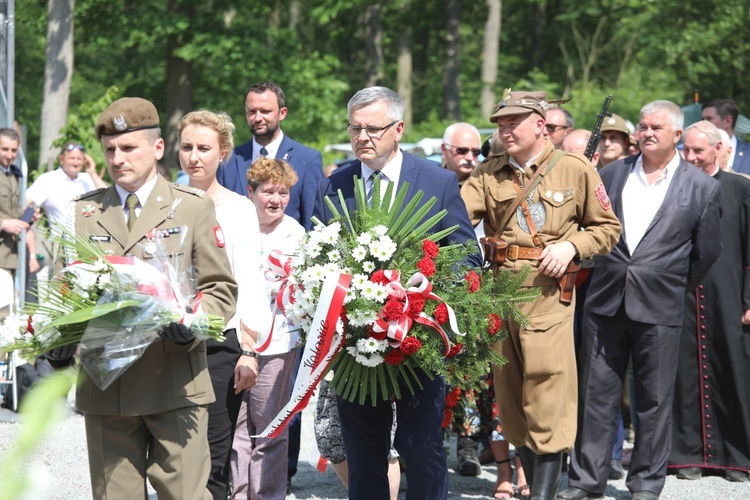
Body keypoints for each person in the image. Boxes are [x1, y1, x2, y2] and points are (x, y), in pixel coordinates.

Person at [60, 97, 238, 499]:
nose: (117, 158)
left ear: (157, 149)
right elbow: (65, 290)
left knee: (186, 495)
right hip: (107, 387)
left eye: (128, 148)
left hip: (173, 379)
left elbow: (221, 289)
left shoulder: (190, 207)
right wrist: (59, 340)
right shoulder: (83, 213)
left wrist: (191, 326)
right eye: (109, 150)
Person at [314, 86, 481, 500]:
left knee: (420, 449)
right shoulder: (338, 184)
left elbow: (466, 257)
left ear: (399, 129)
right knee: (364, 453)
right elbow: (317, 256)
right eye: (355, 128)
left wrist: (430, 288)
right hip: (356, 347)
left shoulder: (436, 181)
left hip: (417, 340)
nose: (362, 137)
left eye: (373, 128)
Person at [558, 101, 723, 500]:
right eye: (643, 126)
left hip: (661, 304)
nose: (646, 133)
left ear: (677, 135)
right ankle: (586, 481)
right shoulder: (610, 175)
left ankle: (646, 484)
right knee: (595, 395)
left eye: (656, 128)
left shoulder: (701, 186)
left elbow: (708, 252)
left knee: (653, 399)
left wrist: (671, 282)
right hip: (605, 300)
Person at [461, 90, 621, 500]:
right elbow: (458, 219)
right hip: (501, 294)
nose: (505, 129)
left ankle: (544, 496)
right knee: (512, 398)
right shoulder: (488, 172)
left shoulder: (574, 169)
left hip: (548, 296)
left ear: (540, 124)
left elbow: (607, 229)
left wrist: (572, 247)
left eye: (514, 121)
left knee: (546, 393)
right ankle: (531, 488)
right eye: (500, 123)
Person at [177, 110, 271, 499]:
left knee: (214, 460)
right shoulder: (164, 204)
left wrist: (248, 349)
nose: (194, 156)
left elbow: (249, 280)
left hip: (220, 344)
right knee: (172, 458)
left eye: (204, 148)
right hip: (168, 341)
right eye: (187, 147)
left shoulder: (238, 209)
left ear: (223, 153)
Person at [668, 120, 750, 483]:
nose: (690, 157)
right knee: (682, 375)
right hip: (682, 296)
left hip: (730, 296)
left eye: (697, 151)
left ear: (719, 149)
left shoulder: (740, 189)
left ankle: (736, 456)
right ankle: (685, 454)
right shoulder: (673, 185)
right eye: (685, 150)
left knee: (734, 371)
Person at [230, 157, 304, 500]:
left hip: (277, 342)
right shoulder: (234, 225)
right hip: (235, 337)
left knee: (270, 425)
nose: (276, 199)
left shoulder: (296, 233)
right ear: (250, 192)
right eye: (268, 192)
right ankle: (238, 493)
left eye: (283, 192)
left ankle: (268, 494)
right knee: (237, 426)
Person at [217, 81, 323, 231]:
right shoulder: (228, 160)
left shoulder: (307, 159)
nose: (258, 118)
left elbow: (313, 222)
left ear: (282, 113)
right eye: (252, 111)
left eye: (265, 111)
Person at [26, 142, 107, 225]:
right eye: (72, 158)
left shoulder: (88, 179)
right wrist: (27, 224)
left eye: (79, 159)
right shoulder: (48, 179)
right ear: (61, 159)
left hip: (89, 236)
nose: (76, 163)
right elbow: (26, 203)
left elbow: (109, 199)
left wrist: (93, 173)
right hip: (60, 237)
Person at [0, 128, 39, 278]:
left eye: (14, 150)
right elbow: (6, 220)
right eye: (4, 149)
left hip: (9, 255)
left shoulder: (11, 176)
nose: (10, 155)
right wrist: (3, 224)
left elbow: (11, 212)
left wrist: (28, 216)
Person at [701, 98, 750, 174]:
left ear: (728, 121)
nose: (703, 124)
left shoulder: (748, 153)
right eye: (702, 119)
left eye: (709, 119)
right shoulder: (693, 152)